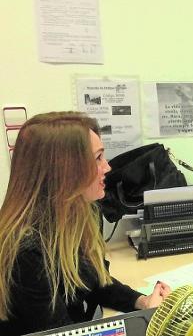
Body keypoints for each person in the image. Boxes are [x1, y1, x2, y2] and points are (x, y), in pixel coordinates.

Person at [0, 112, 171, 335]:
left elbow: (96, 280)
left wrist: (142, 302)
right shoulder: (24, 252)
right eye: (98, 158)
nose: (107, 167)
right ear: (64, 170)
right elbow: (61, 332)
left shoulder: (78, 214)